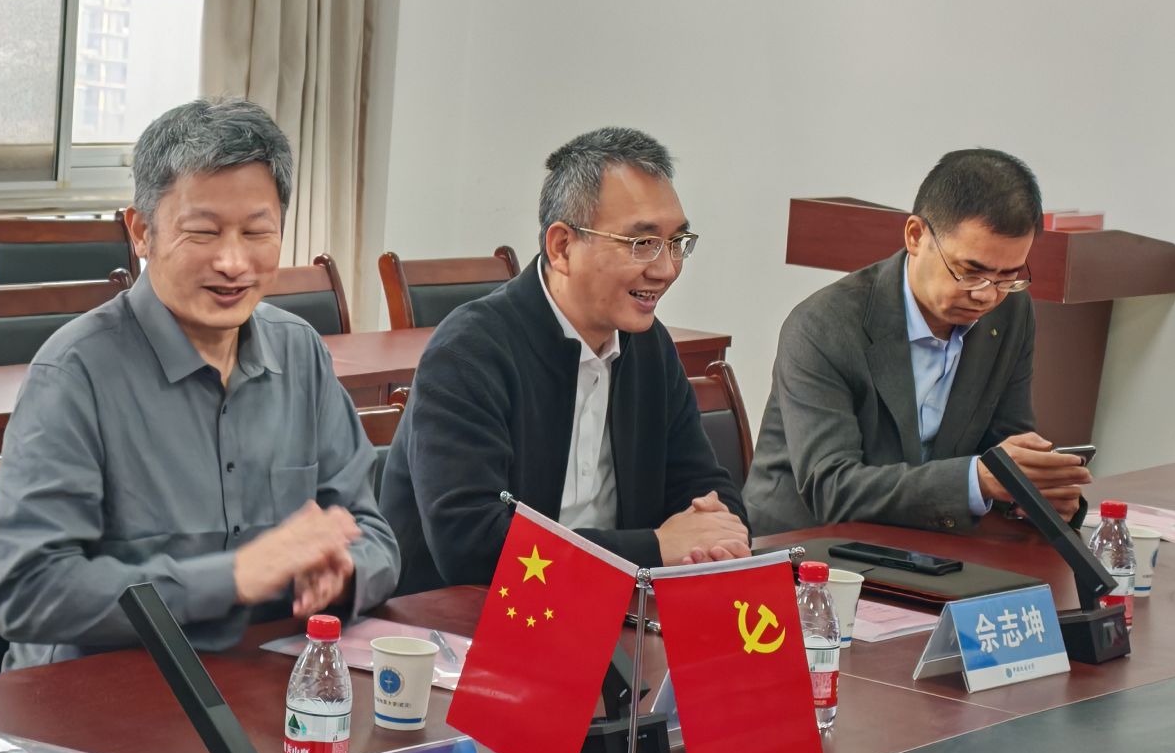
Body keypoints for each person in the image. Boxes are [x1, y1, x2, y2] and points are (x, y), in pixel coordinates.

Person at [0, 97, 399, 667]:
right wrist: (234, 576)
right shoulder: (75, 373)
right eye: (203, 232)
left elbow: (372, 532)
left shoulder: (300, 351)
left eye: (257, 232)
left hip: (262, 678)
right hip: (103, 690)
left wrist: (344, 567)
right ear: (141, 232)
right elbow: (31, 592)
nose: (233, 262)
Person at [378, 127, 748, 591]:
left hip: (609, 608)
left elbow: (708, 488)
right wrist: (654, 548)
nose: (666, 268)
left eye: (677, 242)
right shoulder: (470, 351)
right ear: (562, 247)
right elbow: (471, 545)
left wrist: (716, 532)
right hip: (460, 621)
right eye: (642, 243)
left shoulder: (649, 346)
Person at [744, 148, 1091, 537]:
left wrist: (1036, 492)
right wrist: (977, 480)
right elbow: (832, 488)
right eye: (969, 272)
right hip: (805, 545)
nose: (986, 295)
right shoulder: (823, 326)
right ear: (915, 236)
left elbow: (1007, 443)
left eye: (1008, 276)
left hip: (927, 540)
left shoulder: (1010, 312)